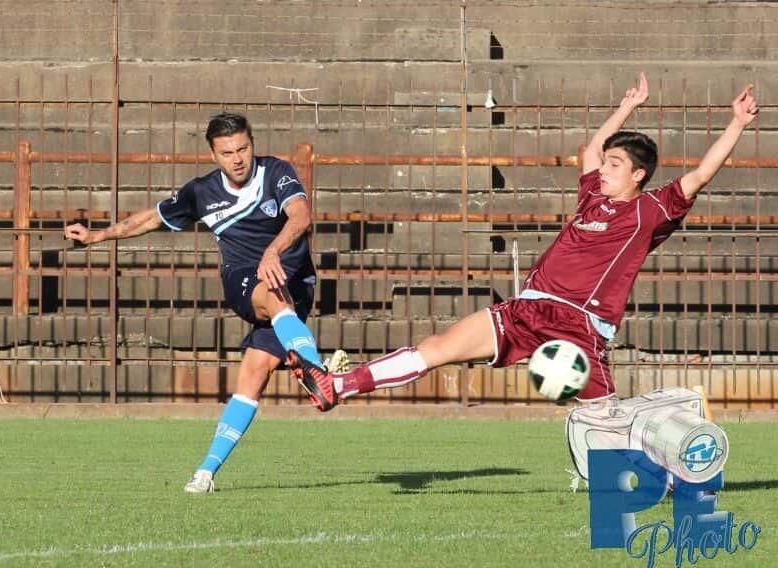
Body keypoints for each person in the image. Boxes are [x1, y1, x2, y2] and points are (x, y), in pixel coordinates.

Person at [291, 73, 759, 408]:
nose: (605, 168)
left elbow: (700, 174)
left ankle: (669, 465)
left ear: (639, 175)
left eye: (617, 165)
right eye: (608, 162)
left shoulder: (650, 210)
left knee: (606, 422)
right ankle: (340, 386)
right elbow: (589, 150)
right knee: (437, 346)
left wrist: (736, 122)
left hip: (578, 325)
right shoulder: (593, 195)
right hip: (527, 307)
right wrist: (626, 107)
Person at [65, 112, 334, 494]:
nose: (237, 158)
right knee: (274, 296)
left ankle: (205, 473)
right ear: (213, 154)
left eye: (243, 148)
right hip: (245, 279)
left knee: (253, 376)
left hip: (296, 284)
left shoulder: (276, 172)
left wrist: (274, 251)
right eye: (227, 152)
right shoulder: (201, 192)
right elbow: (151, 219)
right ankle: (316, 369)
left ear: (252, 144)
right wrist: (97, 236)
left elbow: (301, 216)